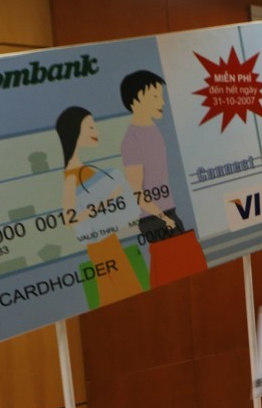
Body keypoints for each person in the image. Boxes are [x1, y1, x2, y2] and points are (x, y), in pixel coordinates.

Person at [55, 106, 144, 306]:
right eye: (90, 127)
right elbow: (69, 220)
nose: (96, 132)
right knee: (117, 291)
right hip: (98, 245)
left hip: (109, 238)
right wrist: (105, 202)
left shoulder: (85, 168)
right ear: (75, 131)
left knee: (127, 289)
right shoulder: (71, 177)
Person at [119, 70, 181, 243]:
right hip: (154, 219)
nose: (162, 102)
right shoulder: (132, 140)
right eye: (154, 97)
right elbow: (137, 192)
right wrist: (163, 218)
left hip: (169, 211)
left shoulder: (153, 128)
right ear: (137, 98)